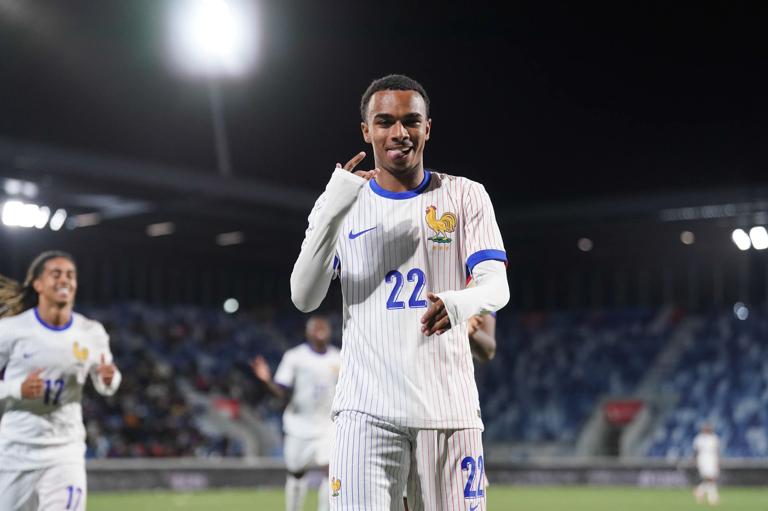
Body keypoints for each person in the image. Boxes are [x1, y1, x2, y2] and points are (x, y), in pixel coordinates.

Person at [290, 74, 509, 510]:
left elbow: (496, 285)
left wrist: (457, 302)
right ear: (366, 130)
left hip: (449, 414)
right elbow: (304, 296)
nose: (399, 133)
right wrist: (331, 208)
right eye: (385, 121)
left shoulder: (466, 196)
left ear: (427, 128)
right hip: (365, 414)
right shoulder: (341, 206)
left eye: (411, 121)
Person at [0, 250, 121, 511]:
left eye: (70, 275)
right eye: (56, 274)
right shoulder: (10, 331)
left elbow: (107, 382)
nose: (64, 280)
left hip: (65, 451)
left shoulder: (91, 332)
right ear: (38, 284)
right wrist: (15, 388)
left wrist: (109, 378)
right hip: (16, 452)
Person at [251, 315, 341, 511]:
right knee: (297, 473)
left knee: (332, 471)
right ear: (308, 332)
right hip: (299, 425)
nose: (321, 329)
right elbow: (281, 390)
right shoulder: (295, 357)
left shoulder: (339, 357)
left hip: (328, 426)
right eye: (316, 327)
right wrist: (267, 380)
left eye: (324, 326)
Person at [692, 423, 720, 506]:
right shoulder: (699, 438)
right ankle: (712, 497)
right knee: (710, 478)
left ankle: (700, 490)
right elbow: (696, 451)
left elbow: (717, 450)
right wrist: (695, 460)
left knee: (712, 478)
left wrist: (718, 461)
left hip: (712, 459)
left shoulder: (714, 438)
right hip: (703, 460)